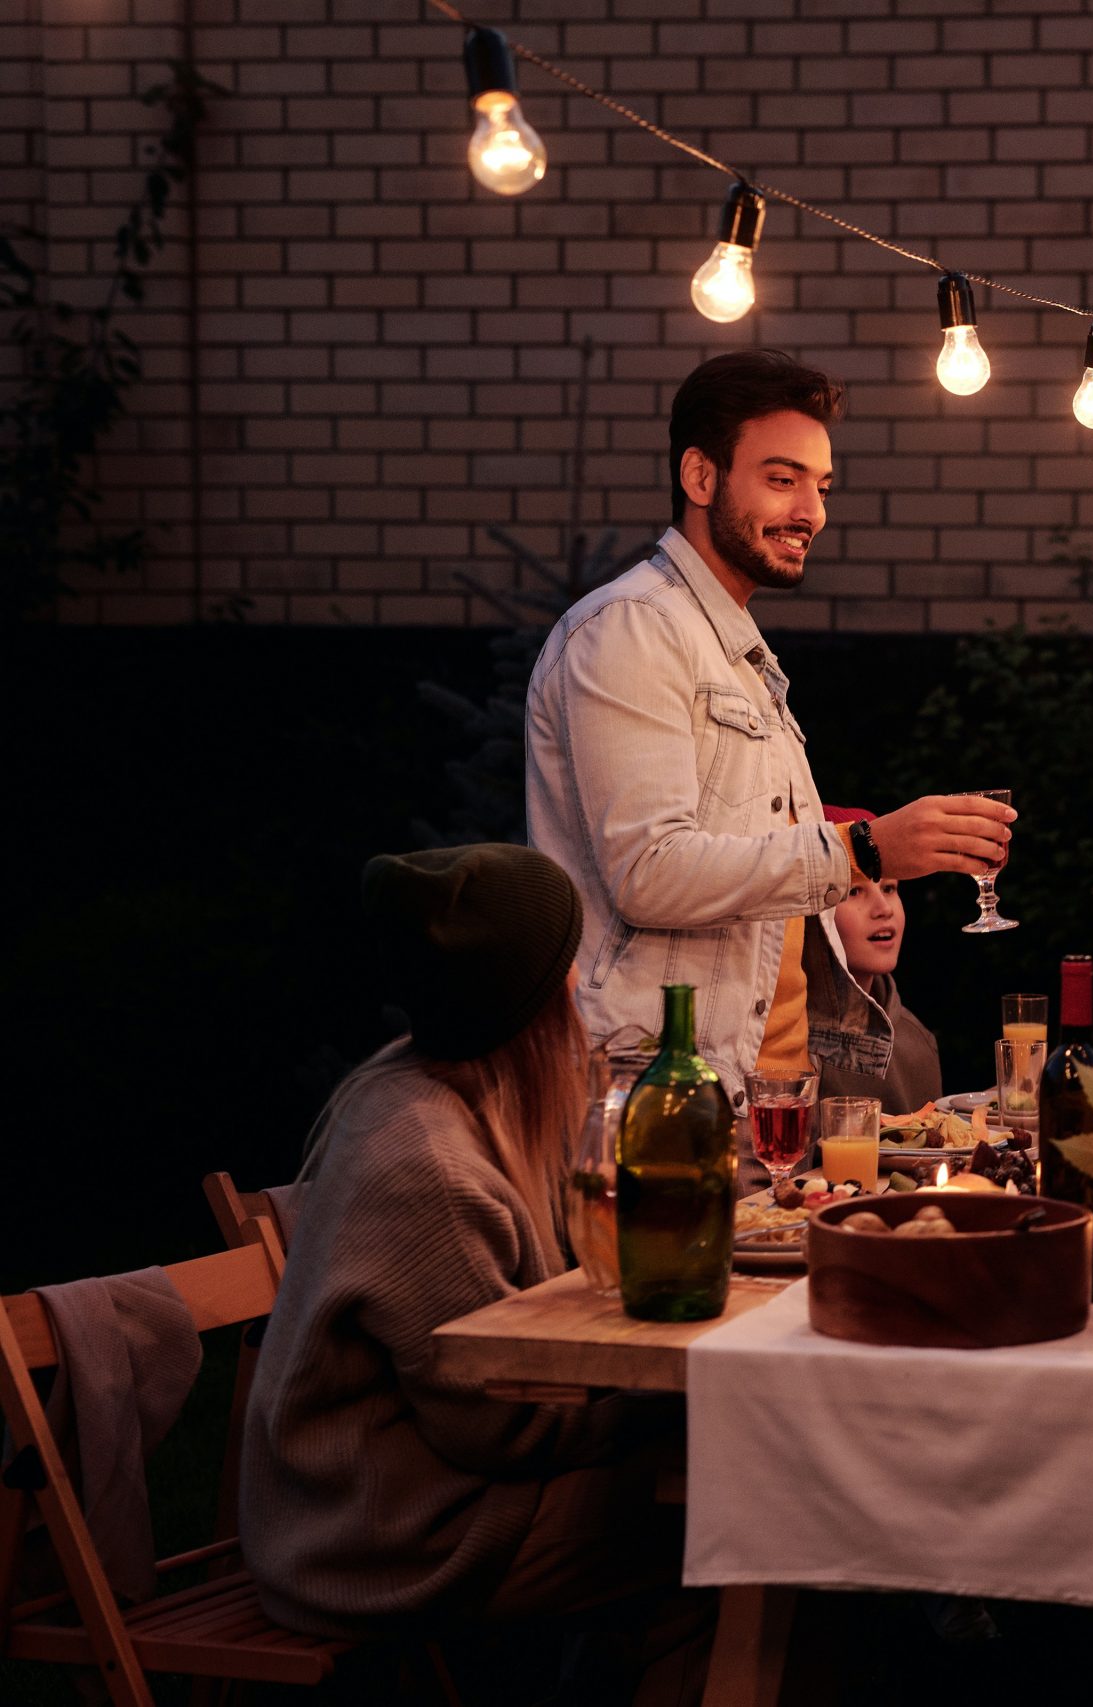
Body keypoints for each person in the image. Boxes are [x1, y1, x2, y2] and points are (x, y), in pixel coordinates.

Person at [523, 349, 1010, 1165]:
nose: (811, 511)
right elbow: (648, 869)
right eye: (783, 479)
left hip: (764, 1108)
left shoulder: (740, 657)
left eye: (821, 486)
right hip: (663, 1098)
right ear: (701, 476)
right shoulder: (631, 631)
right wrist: (867, 849)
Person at [242, 846, 703, 1698]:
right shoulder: (426, 1162)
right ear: (524, 1003)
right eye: (564, 971)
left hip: (420, 1494)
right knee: (731, 1529)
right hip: (388, 1534)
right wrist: (664, 1404)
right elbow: (504, 1428)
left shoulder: (439, 1083)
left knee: (722, 1495)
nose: (578, 991)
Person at [811, 804, 942, 1112]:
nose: (884, 908)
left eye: (890, 887)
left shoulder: (916, 1041)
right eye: (855, 892)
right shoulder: (782, 1039)